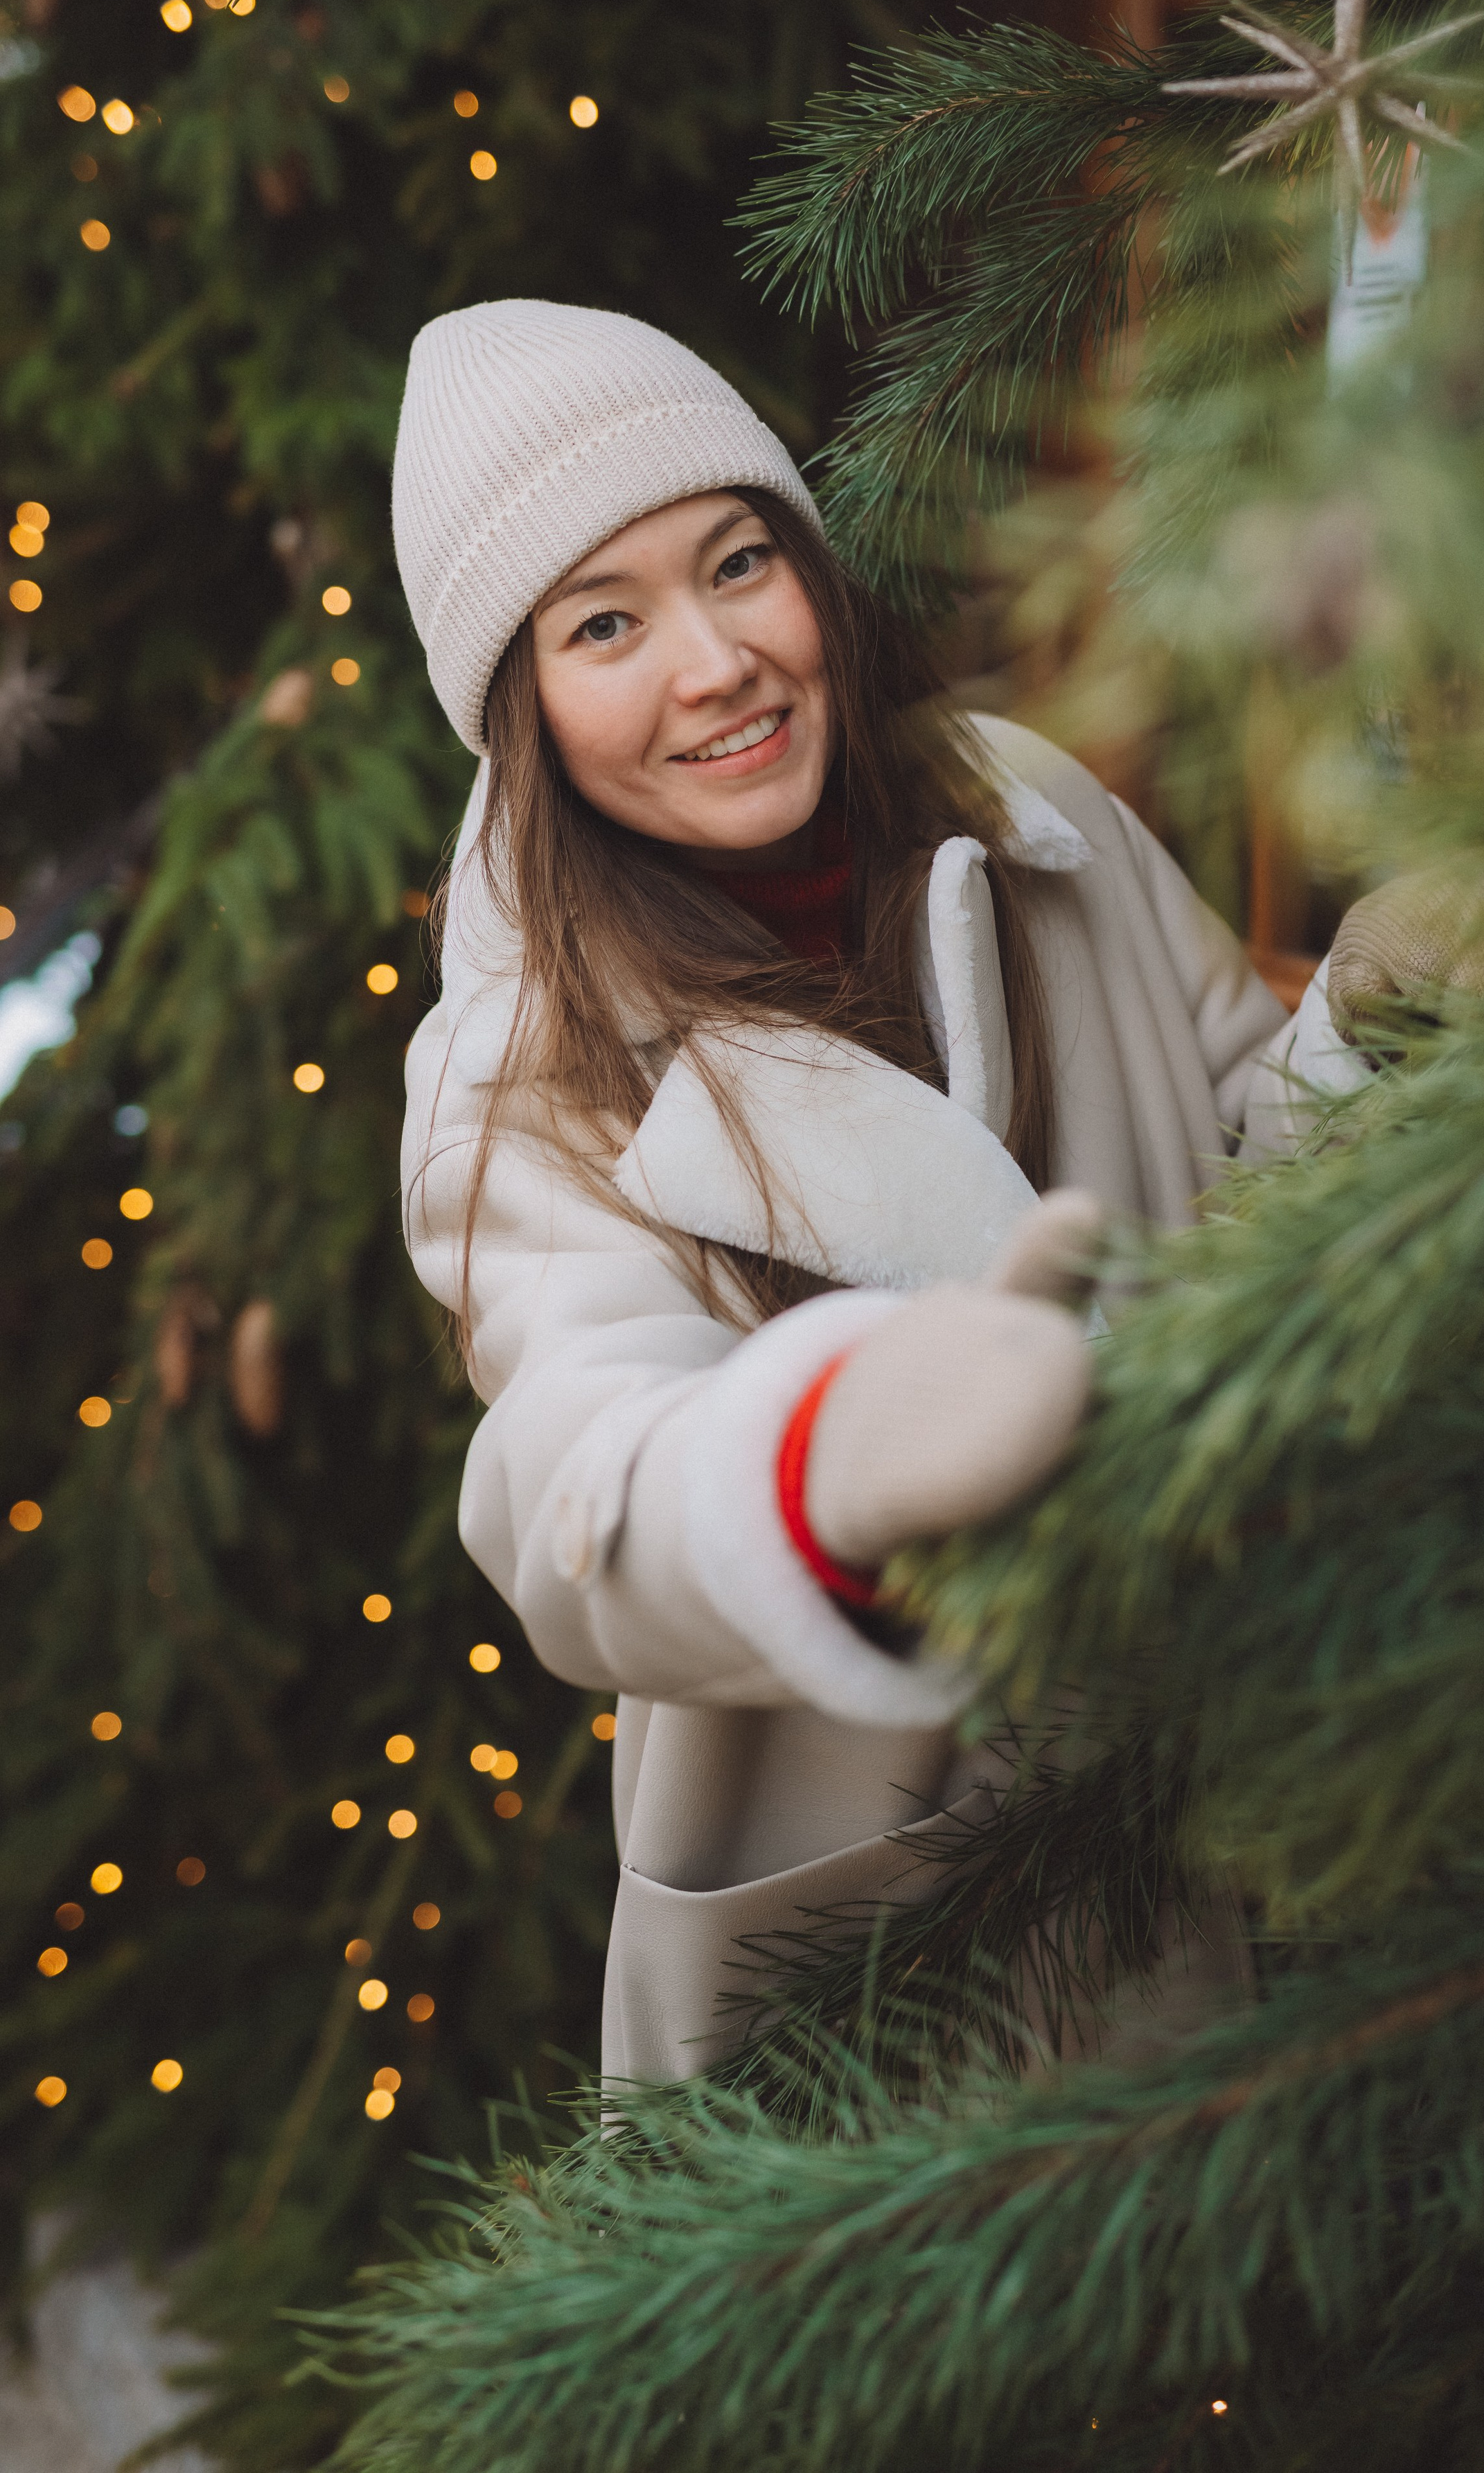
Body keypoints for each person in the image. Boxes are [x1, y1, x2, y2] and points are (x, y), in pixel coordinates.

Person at [391, 299, 1367, 2086]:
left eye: (739, 563)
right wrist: (818, 1453)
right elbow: (570, 1496)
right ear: (517, 708)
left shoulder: (1032, 813)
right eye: (605, 624)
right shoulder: (515, 1071)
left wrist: (1382, 1022)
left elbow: (1261, 1182)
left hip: (1278, 1781)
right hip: (903, 1988)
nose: (716, 665)